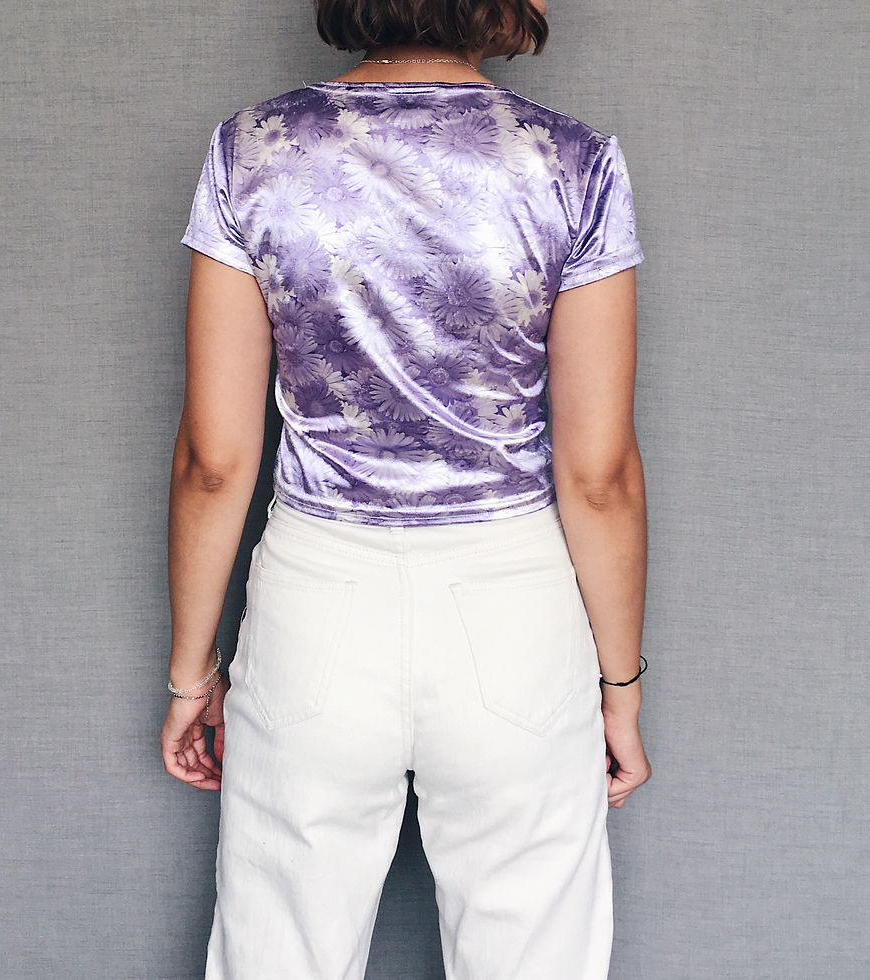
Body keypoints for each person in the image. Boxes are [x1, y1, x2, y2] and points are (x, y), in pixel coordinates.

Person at [161, 0, 652, 976]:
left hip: (315, 601)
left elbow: (215, 461)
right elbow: (596, 477)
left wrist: (191, 674)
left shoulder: (252, 151)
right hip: (512, 607)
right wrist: (619, 688)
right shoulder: (573, 164)